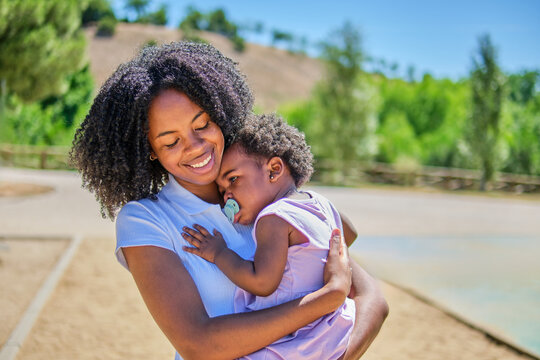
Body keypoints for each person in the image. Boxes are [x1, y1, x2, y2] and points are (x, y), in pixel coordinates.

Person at [71, 42, 388, 360]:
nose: (194, 146)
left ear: (218, 112)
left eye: (202, 125)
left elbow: (372, 299)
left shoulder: (264, 199)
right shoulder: (145, 220)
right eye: (171, 141)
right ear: (150, 149)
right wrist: (326, 299)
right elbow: (199, 345)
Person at [182, 113, 355, 359]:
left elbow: (262, 283)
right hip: (333, 332)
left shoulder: (273, 217)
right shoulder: (319, 202)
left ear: (274, 170)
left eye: (233, 180)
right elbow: (351, 232)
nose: (227, 196)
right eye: (221, 191)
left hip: (295, 342)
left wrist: (219, 253)